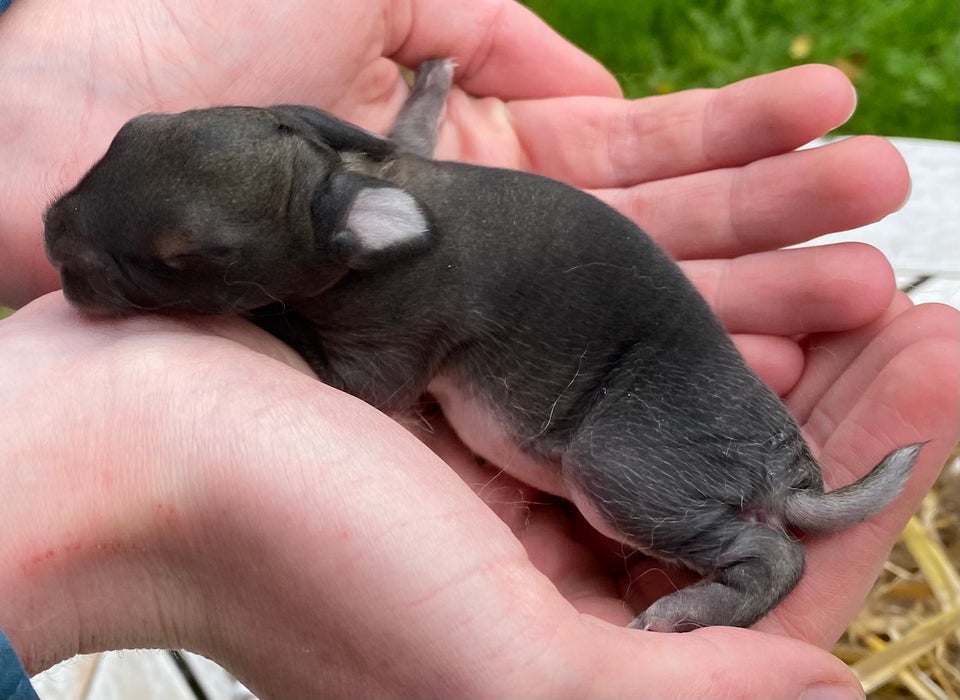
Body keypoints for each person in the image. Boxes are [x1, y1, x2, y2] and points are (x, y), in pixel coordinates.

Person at [0, 1, 957, 698]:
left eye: (183, 262)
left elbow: (361, 382)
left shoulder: (398, 273)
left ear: (341, 247)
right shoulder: (365, 200)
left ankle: (754, 562)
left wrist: (249, 328)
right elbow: (391, 163)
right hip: (638, 358)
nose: (70, 240)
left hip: (616, 392)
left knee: (611, 477)